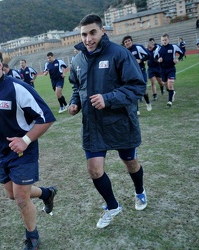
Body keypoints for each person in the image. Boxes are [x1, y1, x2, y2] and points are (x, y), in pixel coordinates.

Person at [0, 45, 57, 249]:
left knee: (20, 198)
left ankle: (32, 237)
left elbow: (45, 118)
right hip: (0, 153)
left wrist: (25, 140)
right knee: (12, 194)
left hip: (23, 152)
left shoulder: (18, 88)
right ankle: (46, 193)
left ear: (0, 65)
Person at [68, 14, 147, 229]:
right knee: (94, 169)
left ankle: (139, 191)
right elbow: (77, 87)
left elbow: (137, 86)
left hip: (120, 122)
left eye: (92, 32)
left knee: (130, 163)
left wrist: (108, 99)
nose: (88, 39)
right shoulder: (77, 60)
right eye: (84, 34)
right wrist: (75, 102)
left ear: (103, 31)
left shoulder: (119, 54)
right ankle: (112, 206)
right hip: (93, 125)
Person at [122, 35, 152, 113]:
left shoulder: (138, 47)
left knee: (144, 90)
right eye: (125, 42)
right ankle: (137, 109)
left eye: (129, 41)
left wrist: (141, 60)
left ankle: (148, 102)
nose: (127, 42)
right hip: (131, 73)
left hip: (141, 71)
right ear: (124, 44)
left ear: (131, 41)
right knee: (133, 90)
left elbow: (148, 55)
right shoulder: (124, 51)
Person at [154, 33, 184, 107]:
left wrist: (178, 59)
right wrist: (158, 60)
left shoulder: (173, 47)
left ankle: (169, 101)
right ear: (161, 41)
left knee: (170, 84)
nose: (164, 41)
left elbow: (182, 53)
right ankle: (172, 92)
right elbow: (154, 58)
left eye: (165, 40)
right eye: (163, 40)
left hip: (171, 68)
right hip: (162, 70)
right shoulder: (158, 49)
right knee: (165, 85)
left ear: (168, 39)